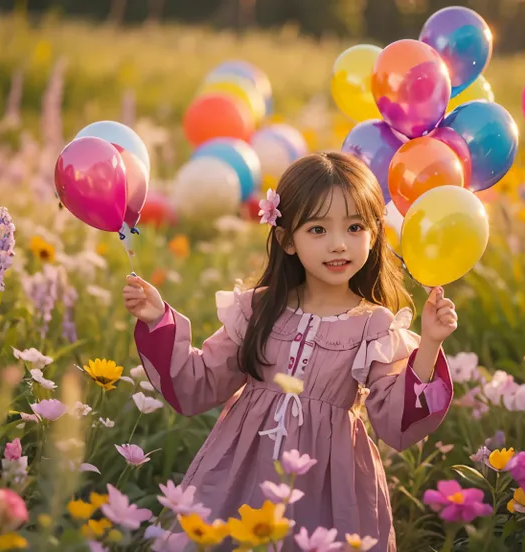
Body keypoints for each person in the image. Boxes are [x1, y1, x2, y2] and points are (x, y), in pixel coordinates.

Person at [124, 152, 456, 551]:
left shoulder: (375, 325)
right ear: (287, 239)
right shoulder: (258, 309)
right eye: (317, 229)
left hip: (328, 483)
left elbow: (393, 423)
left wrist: (431, 341)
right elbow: (199, 383)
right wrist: (157, 318)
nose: (338, 244)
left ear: (374, 233)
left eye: (354, 227)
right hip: (242, 470)